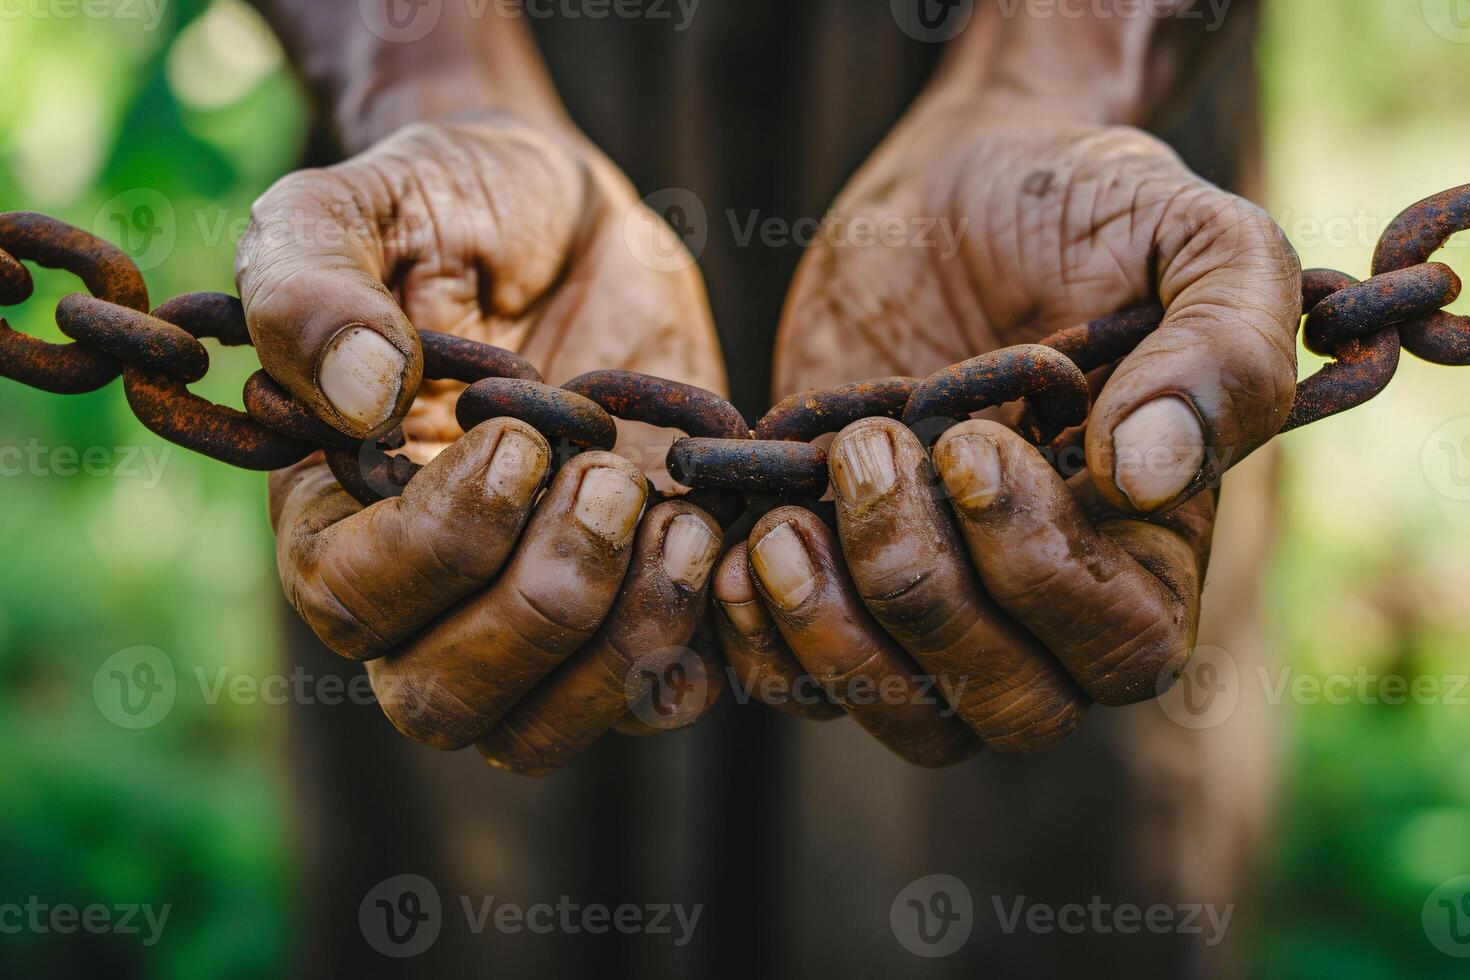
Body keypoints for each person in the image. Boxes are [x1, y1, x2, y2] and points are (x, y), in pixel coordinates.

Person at [246, 0, 1287, 974]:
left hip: (1047, 191)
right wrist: (433, 79)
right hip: (498, 205)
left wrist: (1055, 85)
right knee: (498, 833)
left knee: (1025, 760)